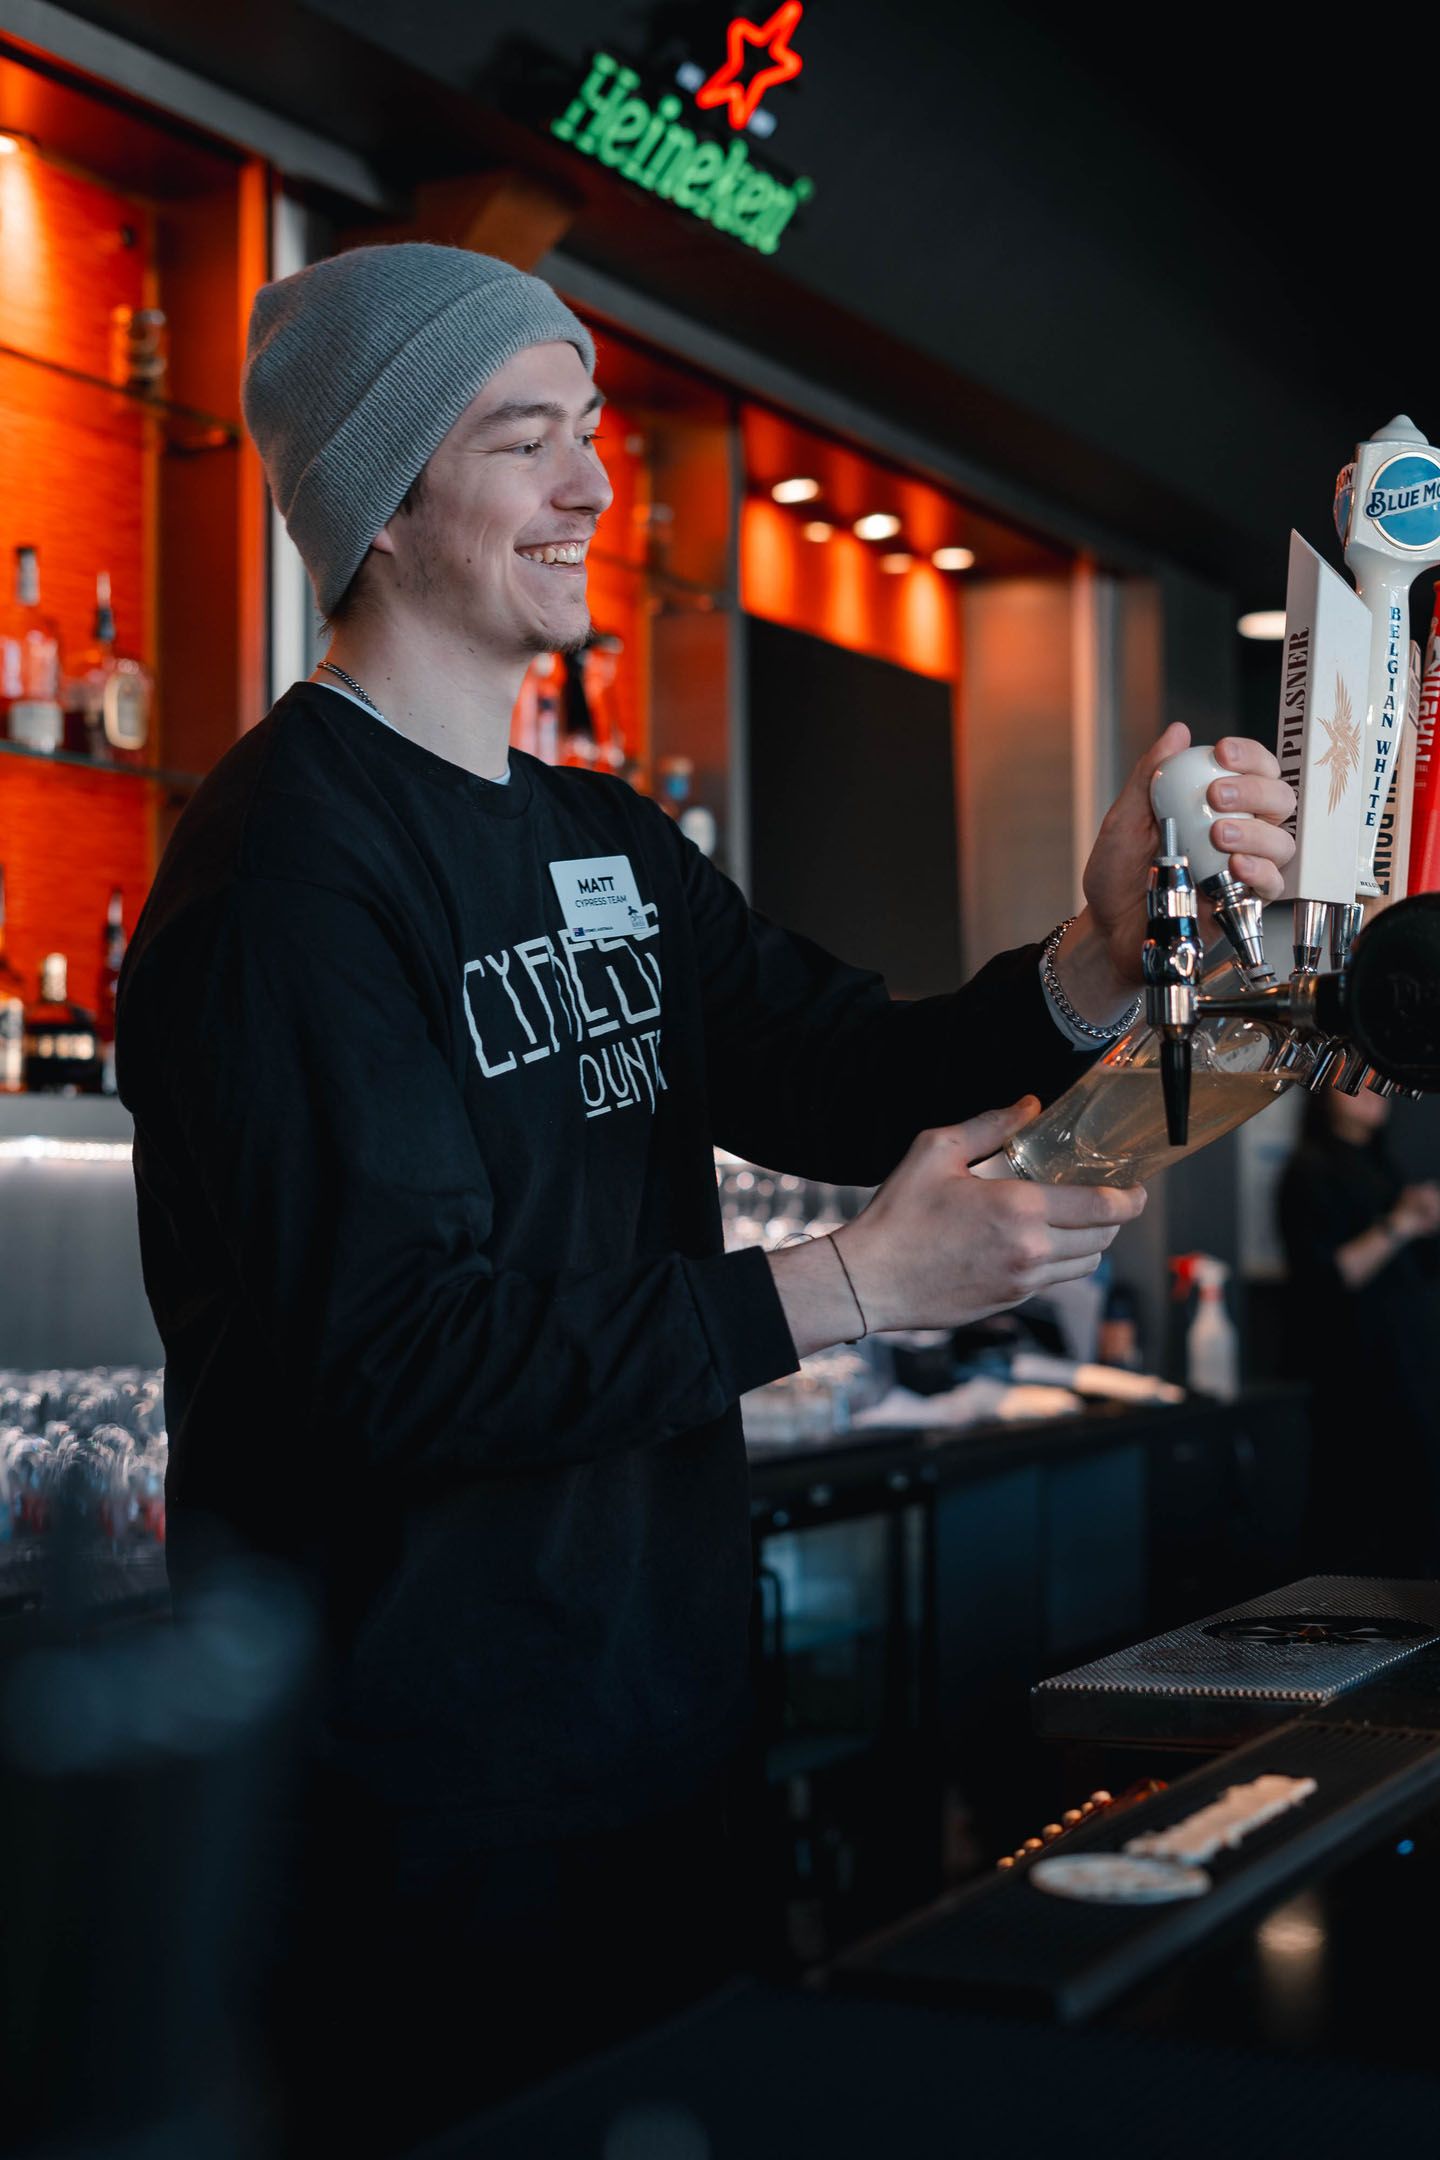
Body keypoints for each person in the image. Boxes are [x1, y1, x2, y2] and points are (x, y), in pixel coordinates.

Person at [114, 245, 1296, 2152]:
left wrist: (1086, 956)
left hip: (652, 1724)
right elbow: (397, 1356)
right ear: (383, 496)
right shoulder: (282, 880)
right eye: (529, 443)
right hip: (412, 1792)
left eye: (593, 437)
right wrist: (848, 1287)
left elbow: (842, 1066)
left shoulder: (601, 839)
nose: (596, 488)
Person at [1279, 1082, 1440, 1574]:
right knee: (1348, 1526)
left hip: (1408, 1372)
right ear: (1324, 1094)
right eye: (1357, 1082)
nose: (1374, 1093)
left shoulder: (1384, 1168)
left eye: (1382, 1084)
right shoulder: (1307, 1172)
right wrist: (1401, 1225)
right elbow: (1332, 1275)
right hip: (1354, 1377)